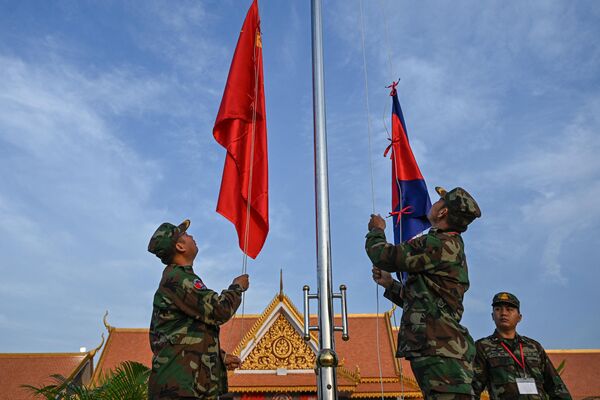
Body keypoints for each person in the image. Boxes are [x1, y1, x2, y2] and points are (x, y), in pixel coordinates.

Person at [367, 186, 481, 399]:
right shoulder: (450, 244)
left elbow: (384, 256)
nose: (433, 204)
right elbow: (427, 301)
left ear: (443, 212)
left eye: (439, 202)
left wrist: (377, 230)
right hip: (442, 347)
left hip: (439, 348)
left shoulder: (437, 243)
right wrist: (390, 285)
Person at [147, 219, 249, 399]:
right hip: (180, 388)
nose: (191, 236)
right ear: (179, 246)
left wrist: (220, 357)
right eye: (185, 235)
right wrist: (236, 287)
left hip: (185, 385)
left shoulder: (178, 278)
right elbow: (219, 310)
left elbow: (188, 333)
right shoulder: (179, 279)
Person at [472, 292, 572, 399]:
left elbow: (556, 387)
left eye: (509, 309)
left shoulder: (533, 347)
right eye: (498, 309)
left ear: (519, 317)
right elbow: (472, 389)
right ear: (492, 316)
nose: (503, 313)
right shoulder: (482, 347)